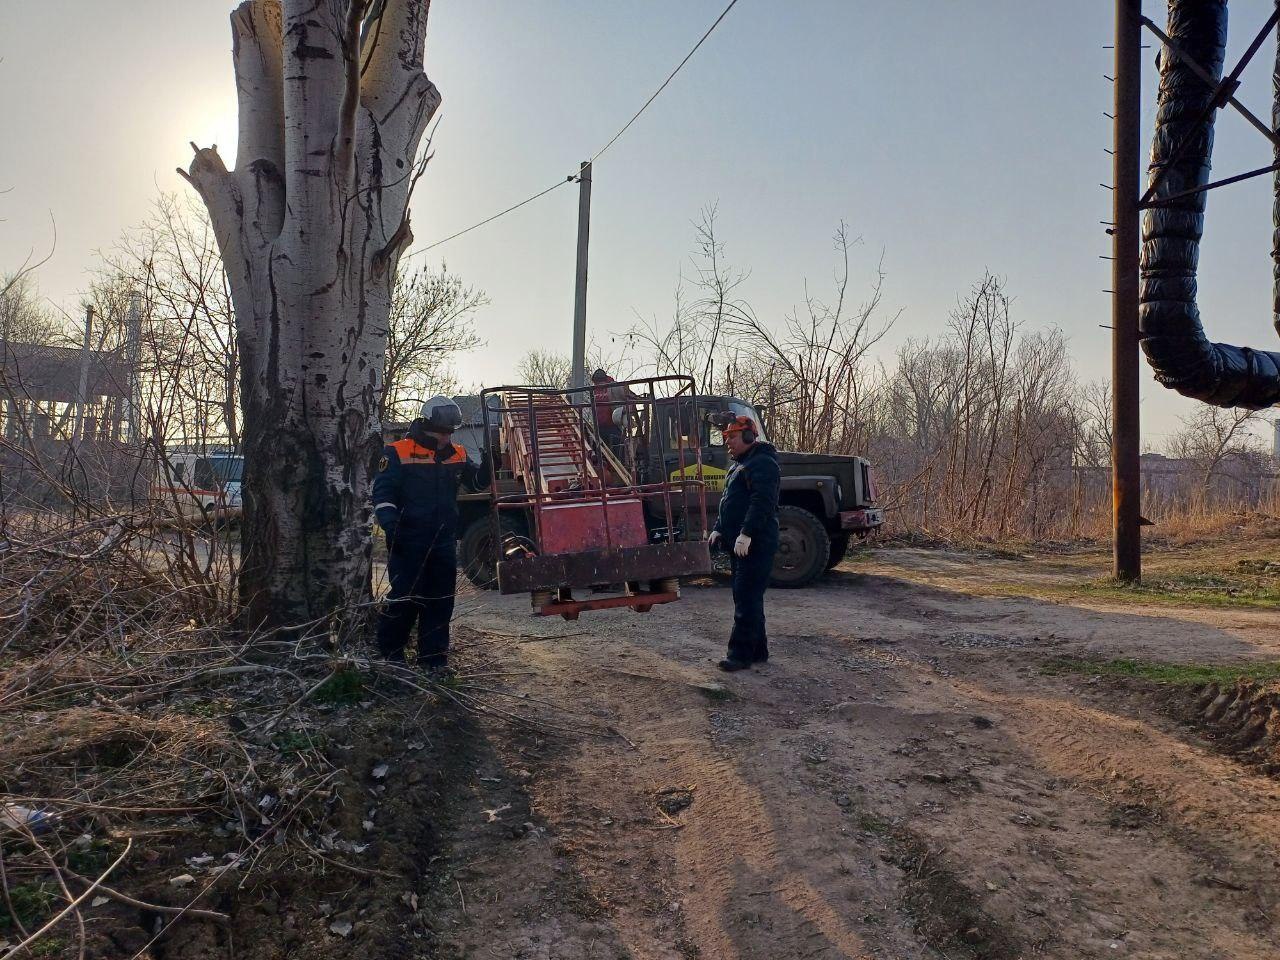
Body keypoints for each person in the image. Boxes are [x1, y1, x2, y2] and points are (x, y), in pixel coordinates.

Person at [373, 395, 490, 674]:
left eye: (449, 433)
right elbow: (383, 493)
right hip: (407, 538)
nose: (445, 439)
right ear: (426, 426)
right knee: (405, 597)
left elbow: (475, 483)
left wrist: (487, 465)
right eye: (441, 433)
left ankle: (434, 661)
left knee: (440, 600)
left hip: (442, 539)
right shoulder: (397, 452)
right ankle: (391, 656)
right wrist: (391, 526)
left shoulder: (456, 453)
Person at [706, 414, 780, 672]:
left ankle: (739, 655)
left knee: (747, 598)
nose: (728, 443)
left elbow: (763, 502)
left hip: (756, 543)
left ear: (749, 436)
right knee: (747, 597)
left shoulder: (763, 463)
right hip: (739, 544)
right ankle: (758, 651)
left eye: (733, 437)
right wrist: (718, 529)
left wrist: (747, 532)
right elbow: (729, 502)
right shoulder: (738, 465)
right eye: (726, 437)